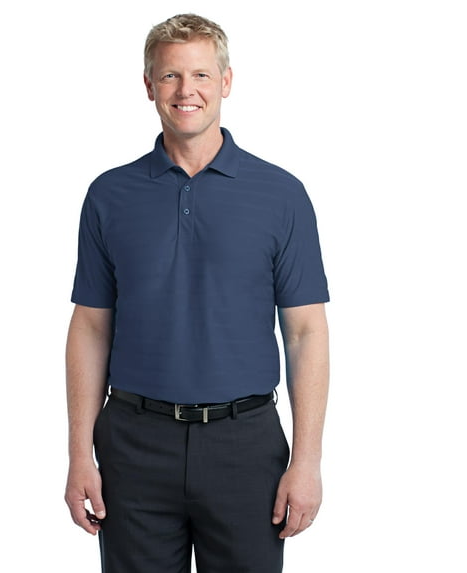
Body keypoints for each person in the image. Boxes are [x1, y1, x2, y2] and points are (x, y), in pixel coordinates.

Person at [64, 13, 329, 573]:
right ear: (149, 85)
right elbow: (90, 326)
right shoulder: (109, 195)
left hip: (246, 445)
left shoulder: (281, 195)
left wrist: (307, 461)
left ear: (226, 82)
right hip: (133, 446)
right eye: (170, 76)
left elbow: (306, 332)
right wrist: (78, 454)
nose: (187, 90)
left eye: (202, 75)